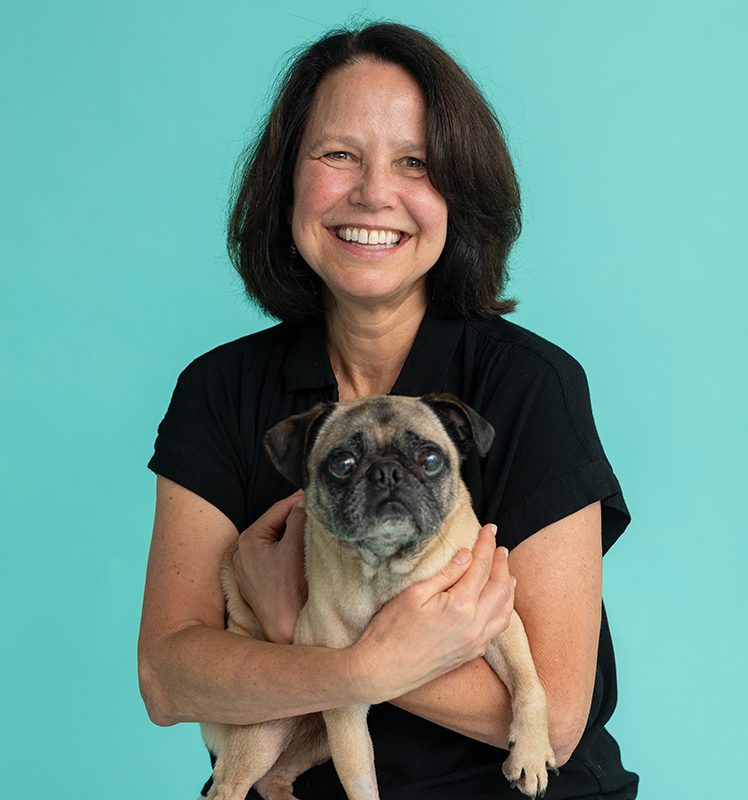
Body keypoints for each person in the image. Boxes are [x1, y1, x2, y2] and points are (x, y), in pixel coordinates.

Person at [138, 21, 639, 800]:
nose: (374, 193)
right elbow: (168, 680)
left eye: (416, 163)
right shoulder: (220, 390)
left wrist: (298, 629)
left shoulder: (531, 383)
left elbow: (558, 717)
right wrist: (358, 666)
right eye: (339, 154)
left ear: (458, 192)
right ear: (287, 181)